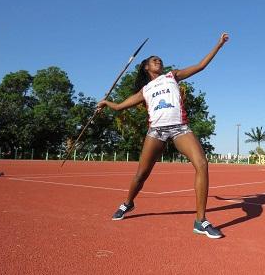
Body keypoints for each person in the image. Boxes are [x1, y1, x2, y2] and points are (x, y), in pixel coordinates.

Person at [97, 33, 229, 239]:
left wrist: (218, 45)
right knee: (141, 174)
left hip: (179, 128)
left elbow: (201, 65)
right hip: (156, 132)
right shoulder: (145, 90)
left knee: (202, 164)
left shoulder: (172, 76)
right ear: (146, 68)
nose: (158, 60)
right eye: (153, 60)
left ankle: (200, 221)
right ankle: (128, 203)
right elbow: (120, 106)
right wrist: (106, 103)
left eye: (159, 59)